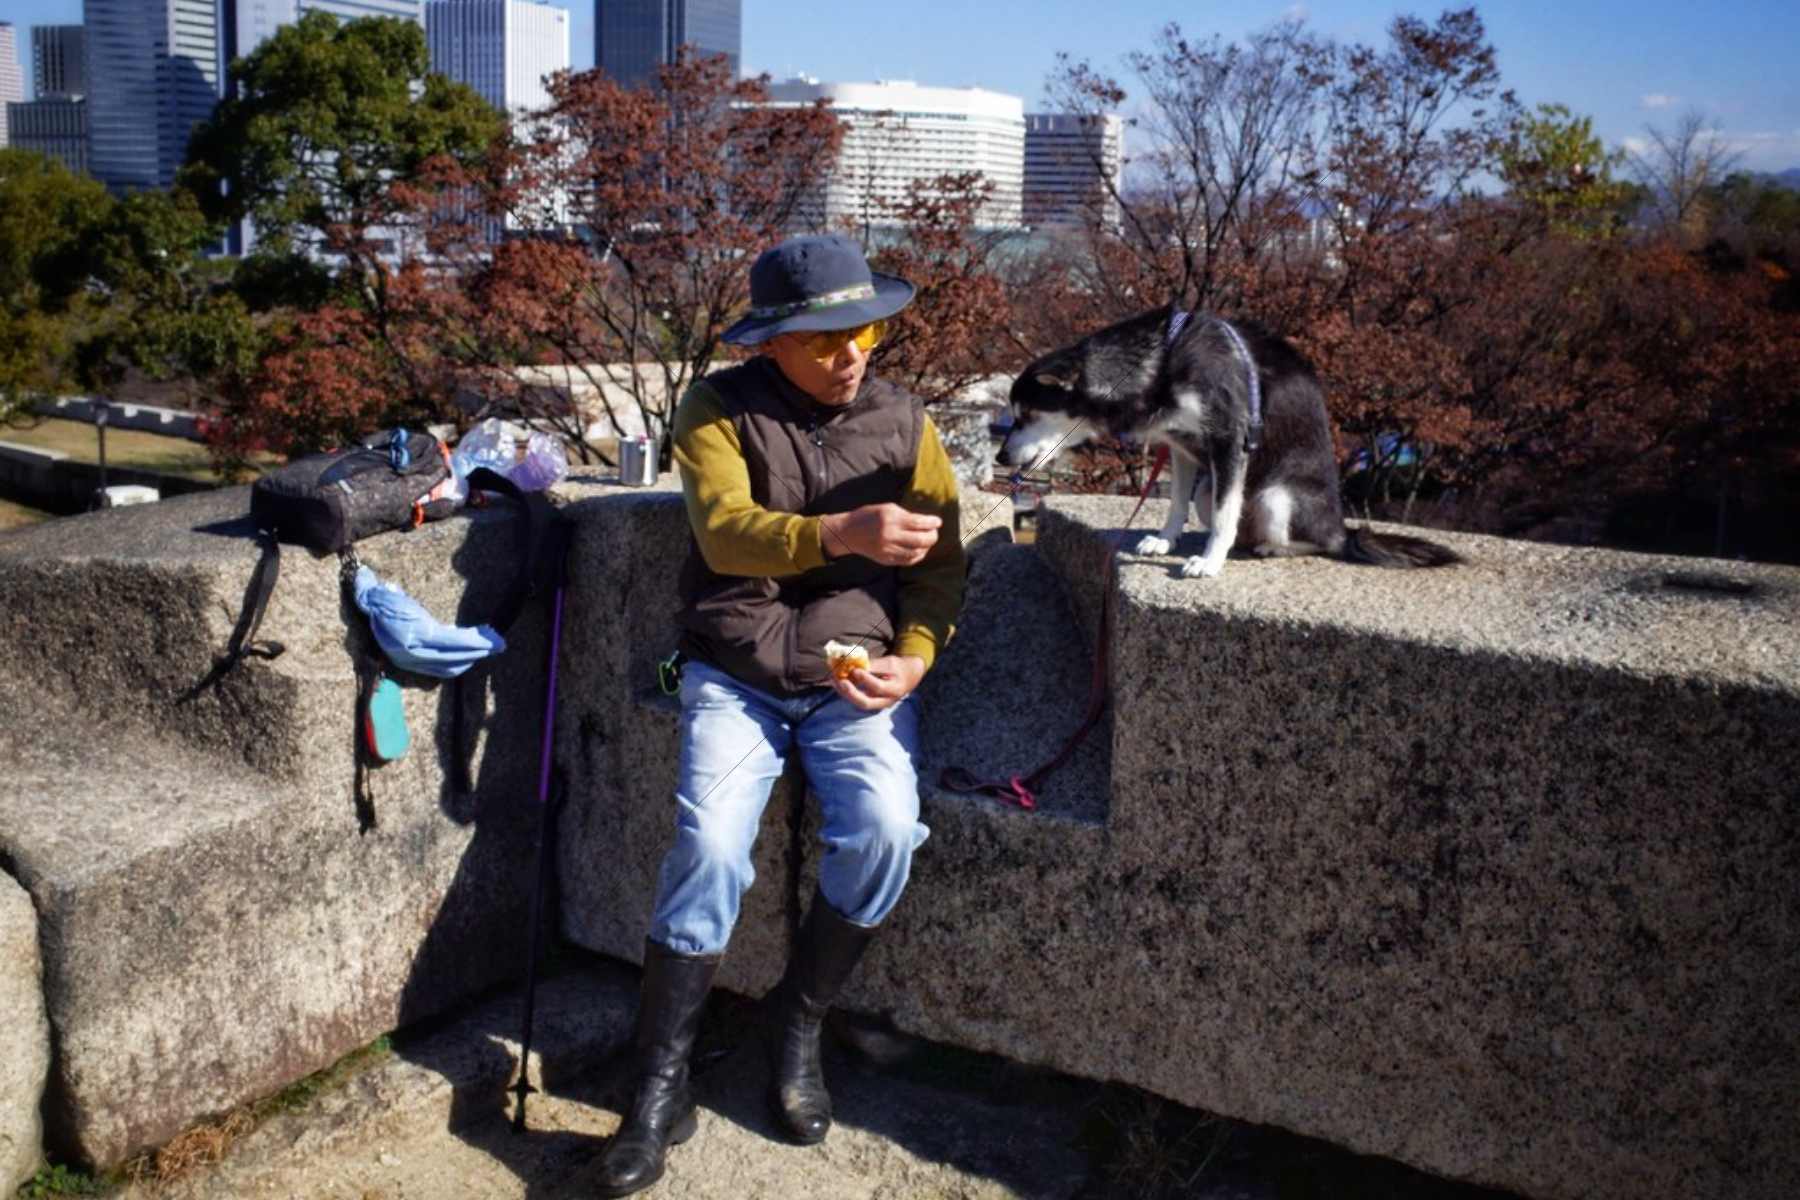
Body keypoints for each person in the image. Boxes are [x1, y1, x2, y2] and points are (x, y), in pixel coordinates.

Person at [596, 234, 967, 1198]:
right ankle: (658, 1085)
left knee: (886, 829)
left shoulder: (904, 421)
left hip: (857, 673)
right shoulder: (716, 408)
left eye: (866, 330)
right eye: (824, 338)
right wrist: (843, 531)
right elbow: (722, 532)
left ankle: (797, 1018)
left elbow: (940, 564)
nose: (852, 354)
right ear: (771, 344)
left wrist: (915, 660)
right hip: (736, 669)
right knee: (713, 844)